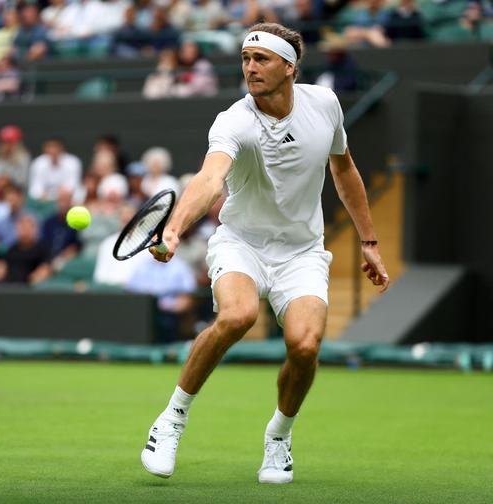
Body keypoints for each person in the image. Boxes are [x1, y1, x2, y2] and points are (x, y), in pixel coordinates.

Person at [140, 22, 390, 484]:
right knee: (236, 316)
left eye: (261, 60)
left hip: (301, 251)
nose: (250, 68)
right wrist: (174, 230)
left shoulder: (326, 105)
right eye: (245, 59)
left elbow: (345, 170)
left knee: (305, 344)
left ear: (290, 67)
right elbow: (210, 179)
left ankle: (279, 435)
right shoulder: (234, 119)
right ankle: (171, 420)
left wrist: (369, 242)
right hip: (242, 242)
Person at [1, 213, 51, 284]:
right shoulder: (12, 249)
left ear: (35, 229)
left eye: (29, 227)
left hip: (31, 289)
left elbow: (46, 268)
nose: (25, 230)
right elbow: (5, 269)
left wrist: (39, 276)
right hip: (10, 287)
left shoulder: (42, 249)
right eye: (22, 227)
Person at [0, 125, 31, 191]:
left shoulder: (23, 157)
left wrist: (9, 180)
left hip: (18, 192)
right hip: (0, 192)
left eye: (10, 142)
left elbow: (23, 181)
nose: (6, 145)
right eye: (4, 142)